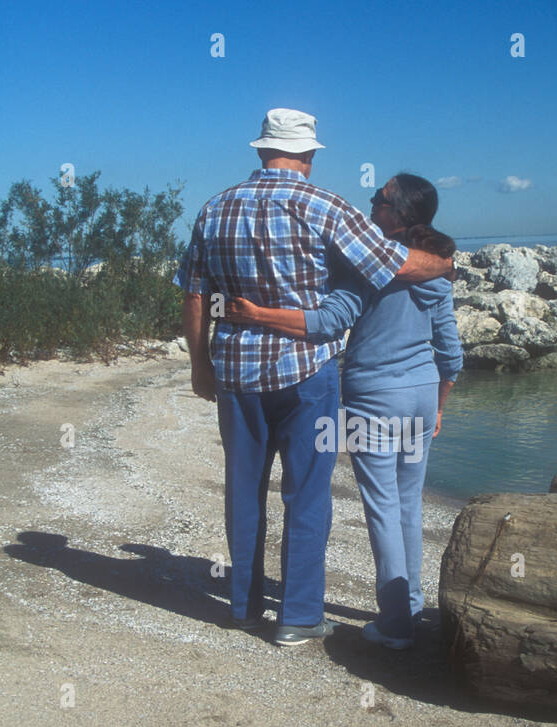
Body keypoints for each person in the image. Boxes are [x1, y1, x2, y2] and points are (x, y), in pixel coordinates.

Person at [173, 109, 454, 646]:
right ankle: (299, 618)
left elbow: (193, 292)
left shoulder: (214, 208)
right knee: (306, 494)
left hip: (235, 371)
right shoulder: (325, 206)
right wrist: (444, 263)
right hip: (307, 373)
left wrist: (199, 363)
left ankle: (243, 607)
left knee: (243, 489)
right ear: (309, 154)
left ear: (261, 150)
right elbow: (395, 264)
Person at [224, 173, 463, 649]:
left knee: (382, 507)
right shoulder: (438, 270)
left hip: (373, 396)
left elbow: (330, 321)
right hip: (421, 393)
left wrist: (256, 316)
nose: (370, 207)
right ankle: (410, 606)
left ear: (398, 215)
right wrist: (439, 404)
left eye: (378, 201)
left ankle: (396, 624)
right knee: (409, 505)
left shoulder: (366, 266)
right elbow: (451, 352)